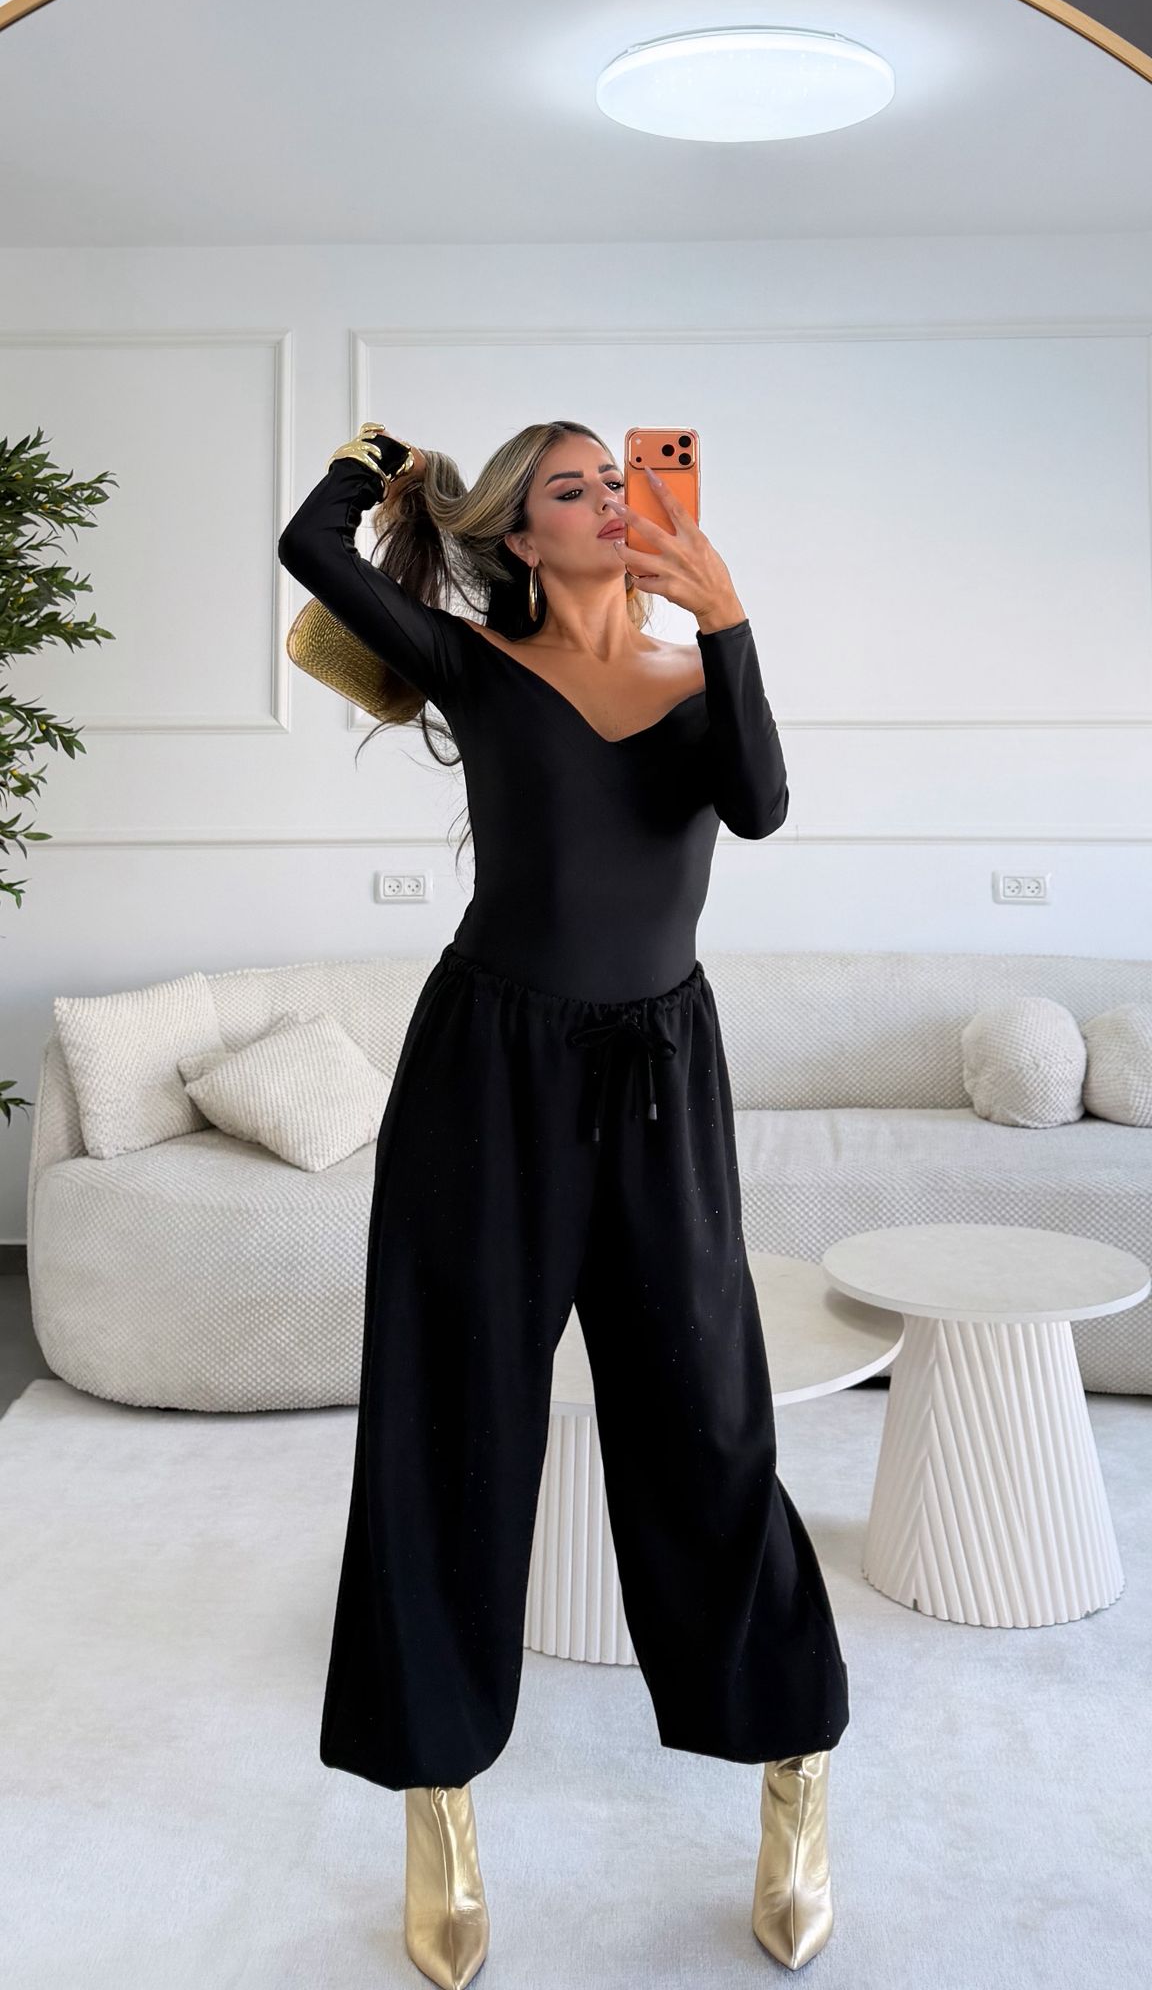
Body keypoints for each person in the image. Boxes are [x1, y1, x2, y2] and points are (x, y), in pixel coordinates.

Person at [277, 419, 850, 1985]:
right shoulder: (471, 665)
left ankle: (793, 1768)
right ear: (522, 537)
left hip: (661, 1081)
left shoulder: (698, 674)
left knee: (708, 1424)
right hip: (487, 1078)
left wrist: (726, 616)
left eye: (623, 478)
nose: (609, 499)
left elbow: (760, 804)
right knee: (455, 1428)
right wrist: (374, 458)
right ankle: (438, 1801)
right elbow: (313, 551)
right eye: (572, 487)